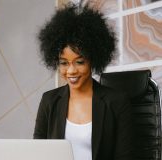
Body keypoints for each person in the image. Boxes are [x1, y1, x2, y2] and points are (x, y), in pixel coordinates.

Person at [33, 4, 133, 160]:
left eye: (79, 62)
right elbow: (37, 153)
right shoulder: (49, 101)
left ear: (92, 60)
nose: (71, 71)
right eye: (64, 63)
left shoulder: (117, 102)